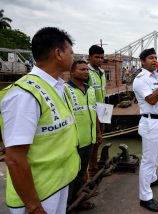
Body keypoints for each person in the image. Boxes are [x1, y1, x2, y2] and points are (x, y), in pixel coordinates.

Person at [0, 27, 80, 213]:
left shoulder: (60, 87)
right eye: (71, 53)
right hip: (38, 193)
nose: (73, 58)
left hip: (58, 182)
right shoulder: (24, 95)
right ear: (58, 54)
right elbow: (14, 158)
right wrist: (34, 207)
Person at [133, 48, 158, 212]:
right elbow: (152, 99)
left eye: (156, 57)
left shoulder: (155, 76)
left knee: (157, 156)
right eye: (150, 58)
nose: (155, 60)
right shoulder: (141, 79)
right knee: (148, 160)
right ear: (142, 61)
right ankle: (145, 197)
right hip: (151, 123)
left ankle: (152, 178)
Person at [66, 60, 102, 210]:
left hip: (89, 139)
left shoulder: (91, 90)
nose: (86, 72)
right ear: (72, 72)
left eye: (87, 70)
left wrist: (98, 133)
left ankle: (78, 200)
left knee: (81, 173)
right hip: (74, 142)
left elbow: (94, 113)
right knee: (71, 176)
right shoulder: (65, 90)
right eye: (82, 70)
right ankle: (67, 204)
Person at [87, 45, 105, 177]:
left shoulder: (102, 72)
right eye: (97, 57)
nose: (100, 60)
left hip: (103, 109)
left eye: (102, 57)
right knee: (92, 142)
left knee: (99, 141)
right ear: (90, 57)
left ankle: (94, 166)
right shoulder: (86, 72)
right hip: (92, 111)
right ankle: (91, 171)